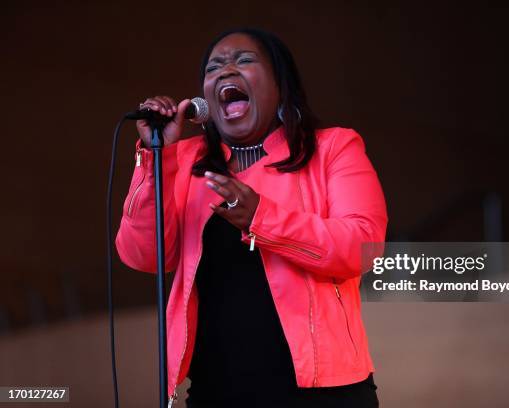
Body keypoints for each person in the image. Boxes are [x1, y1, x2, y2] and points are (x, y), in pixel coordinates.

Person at [115, 27, 388, 408]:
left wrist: (262, 218)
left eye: (243, 60)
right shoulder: (184, 160)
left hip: (323, 394)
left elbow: (362, 246)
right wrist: (156, 155)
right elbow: (142, 255)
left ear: (280, 84)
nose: (226, 71)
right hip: (216, 392)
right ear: (204, 98)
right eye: (214, 67)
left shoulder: (333, 149)